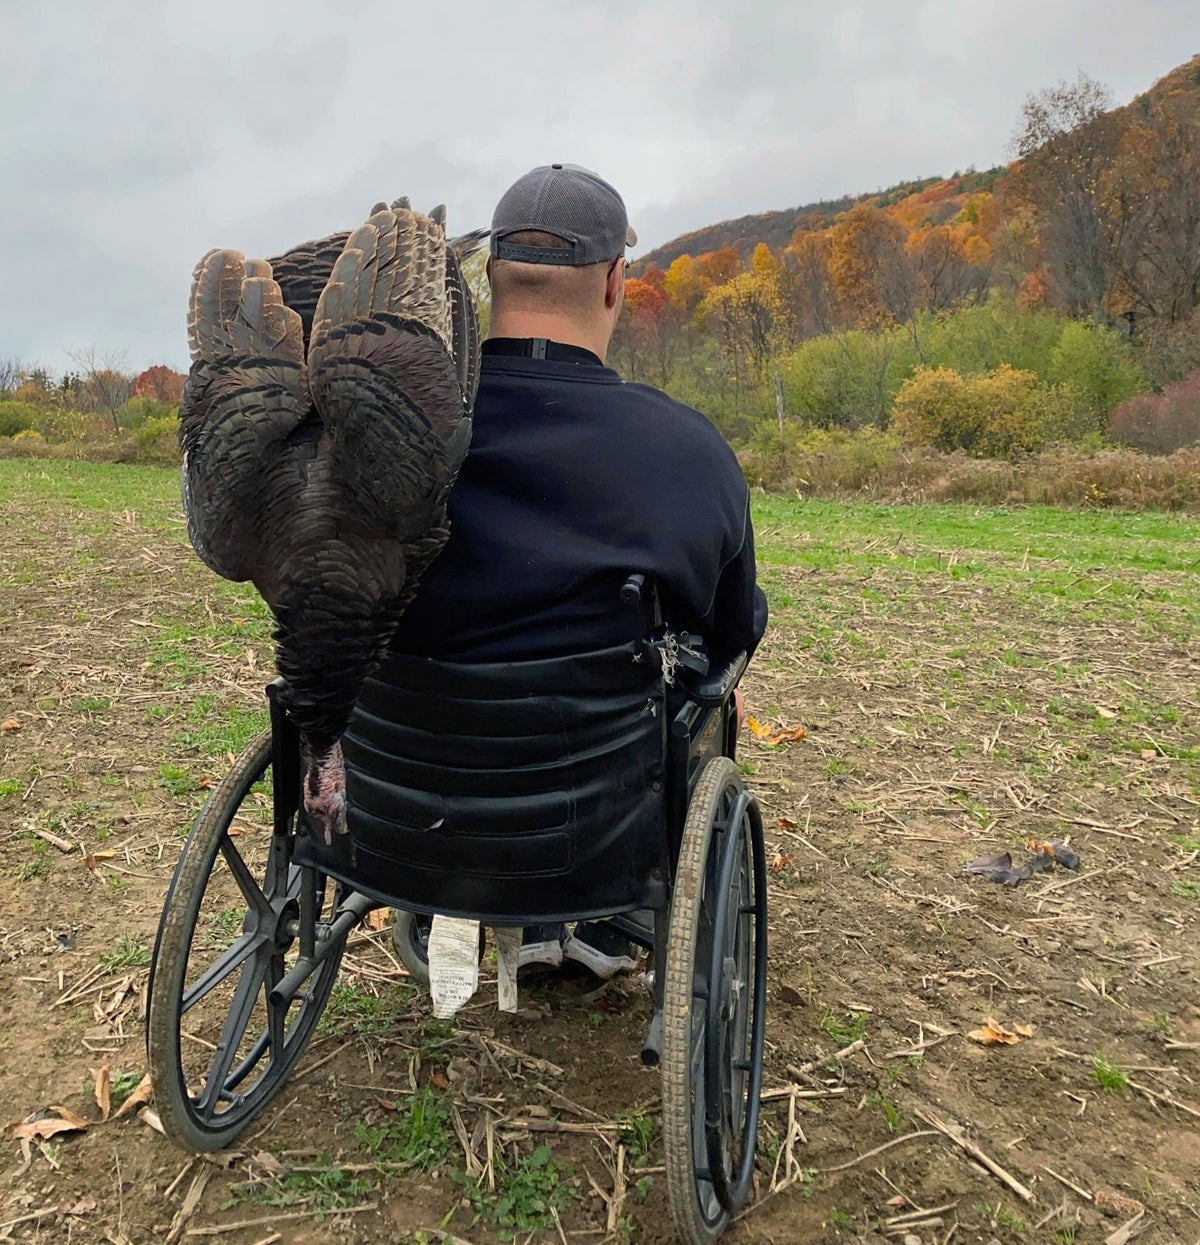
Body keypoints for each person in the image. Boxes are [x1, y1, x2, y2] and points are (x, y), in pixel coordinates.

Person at [389, 163, 768, 975]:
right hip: (587, 820)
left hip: (399, 808)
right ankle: (596, 911)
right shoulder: (686, 451)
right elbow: (733, 629)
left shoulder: (392, 436)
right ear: (614, 284)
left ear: (488, 278)